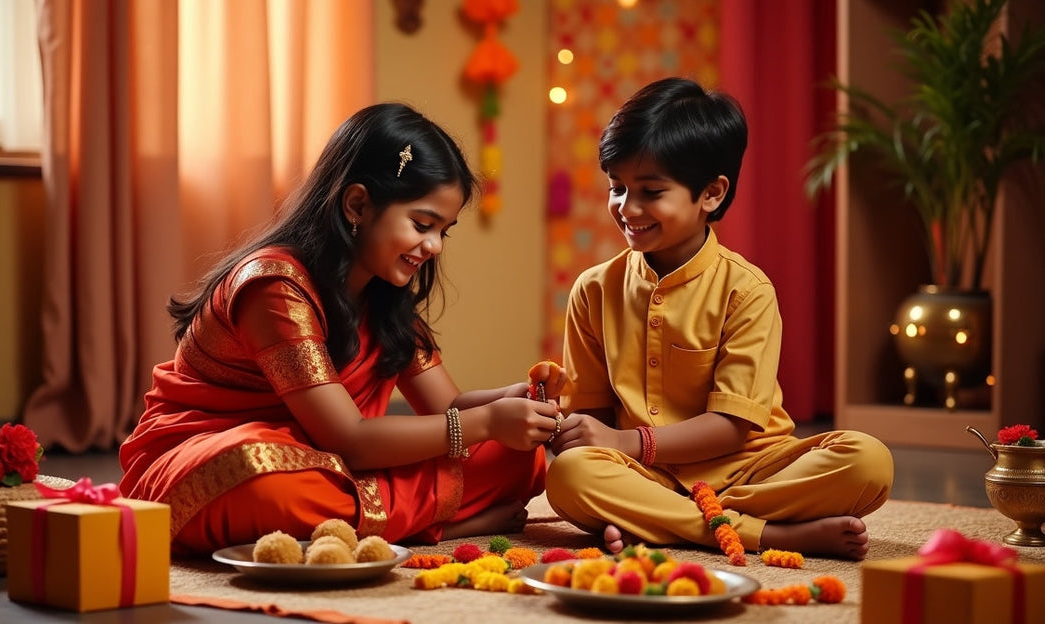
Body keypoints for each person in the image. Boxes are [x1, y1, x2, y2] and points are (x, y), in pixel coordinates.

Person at [119, 102, 566, 556]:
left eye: (443, 232)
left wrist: (514, 400)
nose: (432, 247)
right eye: (422, 225)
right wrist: (486, 421)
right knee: (261, 473)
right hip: (217, 457)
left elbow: (447, 406)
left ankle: (382, 521)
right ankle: (431, 525)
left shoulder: (384, 292)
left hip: (339, 467)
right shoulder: (273, 286)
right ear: (357, 204)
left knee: (516, 454)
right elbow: (349, 440)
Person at [544, 77, 894, 561]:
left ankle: (666, 520)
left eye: (650, 191)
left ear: (710, 193)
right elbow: (593, 417)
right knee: (569, 476)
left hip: (753, 468)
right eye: (617, 187)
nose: (628, 208)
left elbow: (731, 427)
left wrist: (626, 443)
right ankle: (769, 534)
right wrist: (569, 430)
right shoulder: (593, 289)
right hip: (648, 475)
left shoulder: (747, 290)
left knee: (868, 461)